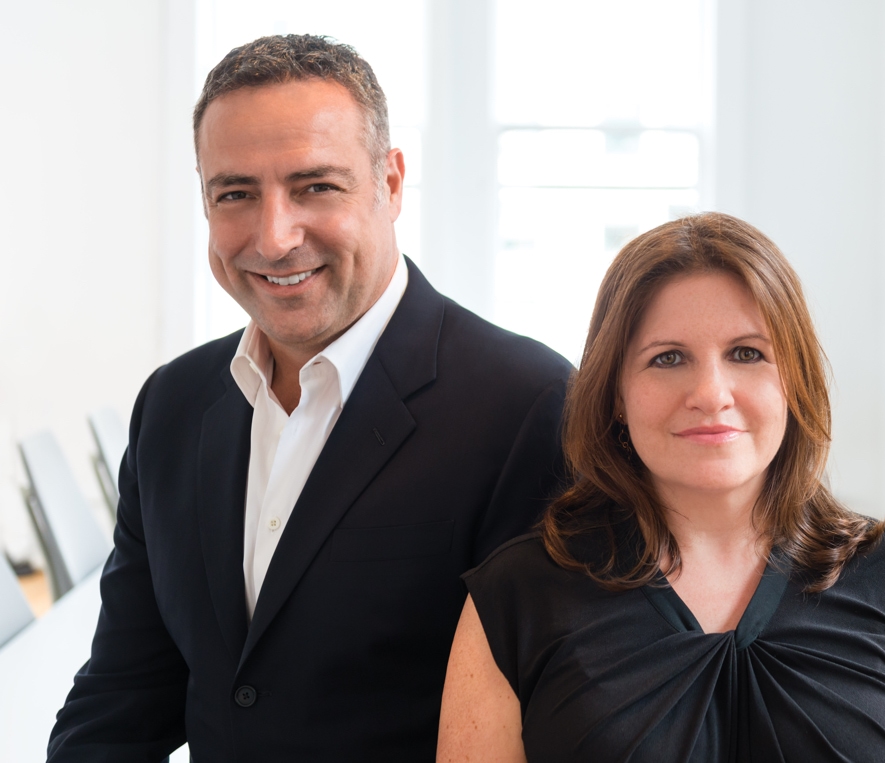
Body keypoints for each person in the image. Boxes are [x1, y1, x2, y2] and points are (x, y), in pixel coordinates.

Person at [47, 35, 571, 761]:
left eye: (315, 186)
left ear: (391, 184)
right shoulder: (173, 404)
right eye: (235, 194)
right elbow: (121, 696)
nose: (274, 237)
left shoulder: (529, 406)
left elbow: (547, 727)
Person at [438, 212, 885, 762]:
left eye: (747, 353)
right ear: (615, 395)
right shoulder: (515, 599)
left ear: (795, 381)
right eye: (668, 358)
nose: (710, 393)